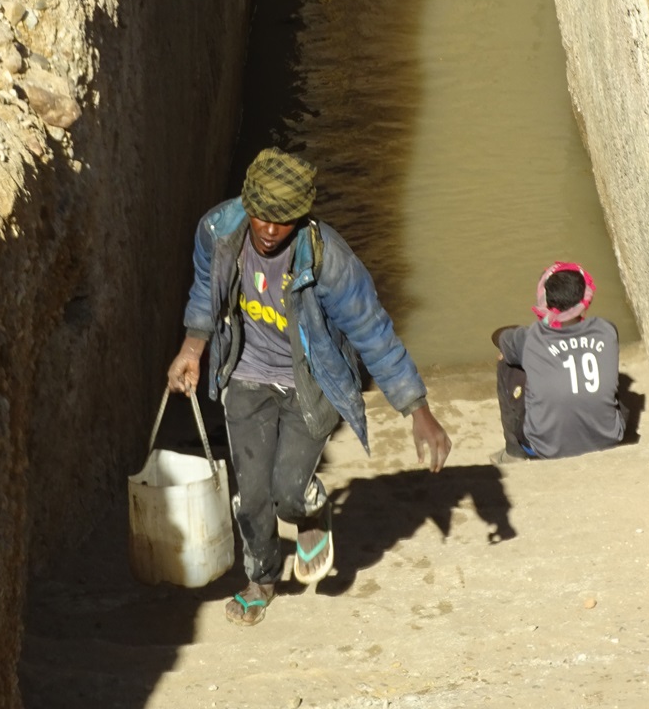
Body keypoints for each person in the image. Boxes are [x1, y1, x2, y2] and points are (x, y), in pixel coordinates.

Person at [167, 147, 452, 625]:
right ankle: (261, 577)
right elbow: (204, 289)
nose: (269, 230)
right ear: (246, 203)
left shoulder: (329, 260)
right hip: (245, 374)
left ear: (301, 217)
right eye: (261, 216)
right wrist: (193, 349)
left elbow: (372, 331)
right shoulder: (217, 231)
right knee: (253, 495)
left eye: (283, 221)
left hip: (310, 383)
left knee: (287, 489)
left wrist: (416, 409)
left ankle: (311, 511)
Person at [490, 261, 627, 464]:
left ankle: (513, 452)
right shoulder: (607, 330)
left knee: (507, 363)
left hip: (545, 448)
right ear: (586, 299)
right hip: (608, 438)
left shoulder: (532, 338)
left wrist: (519, 337)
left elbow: (498, 336)